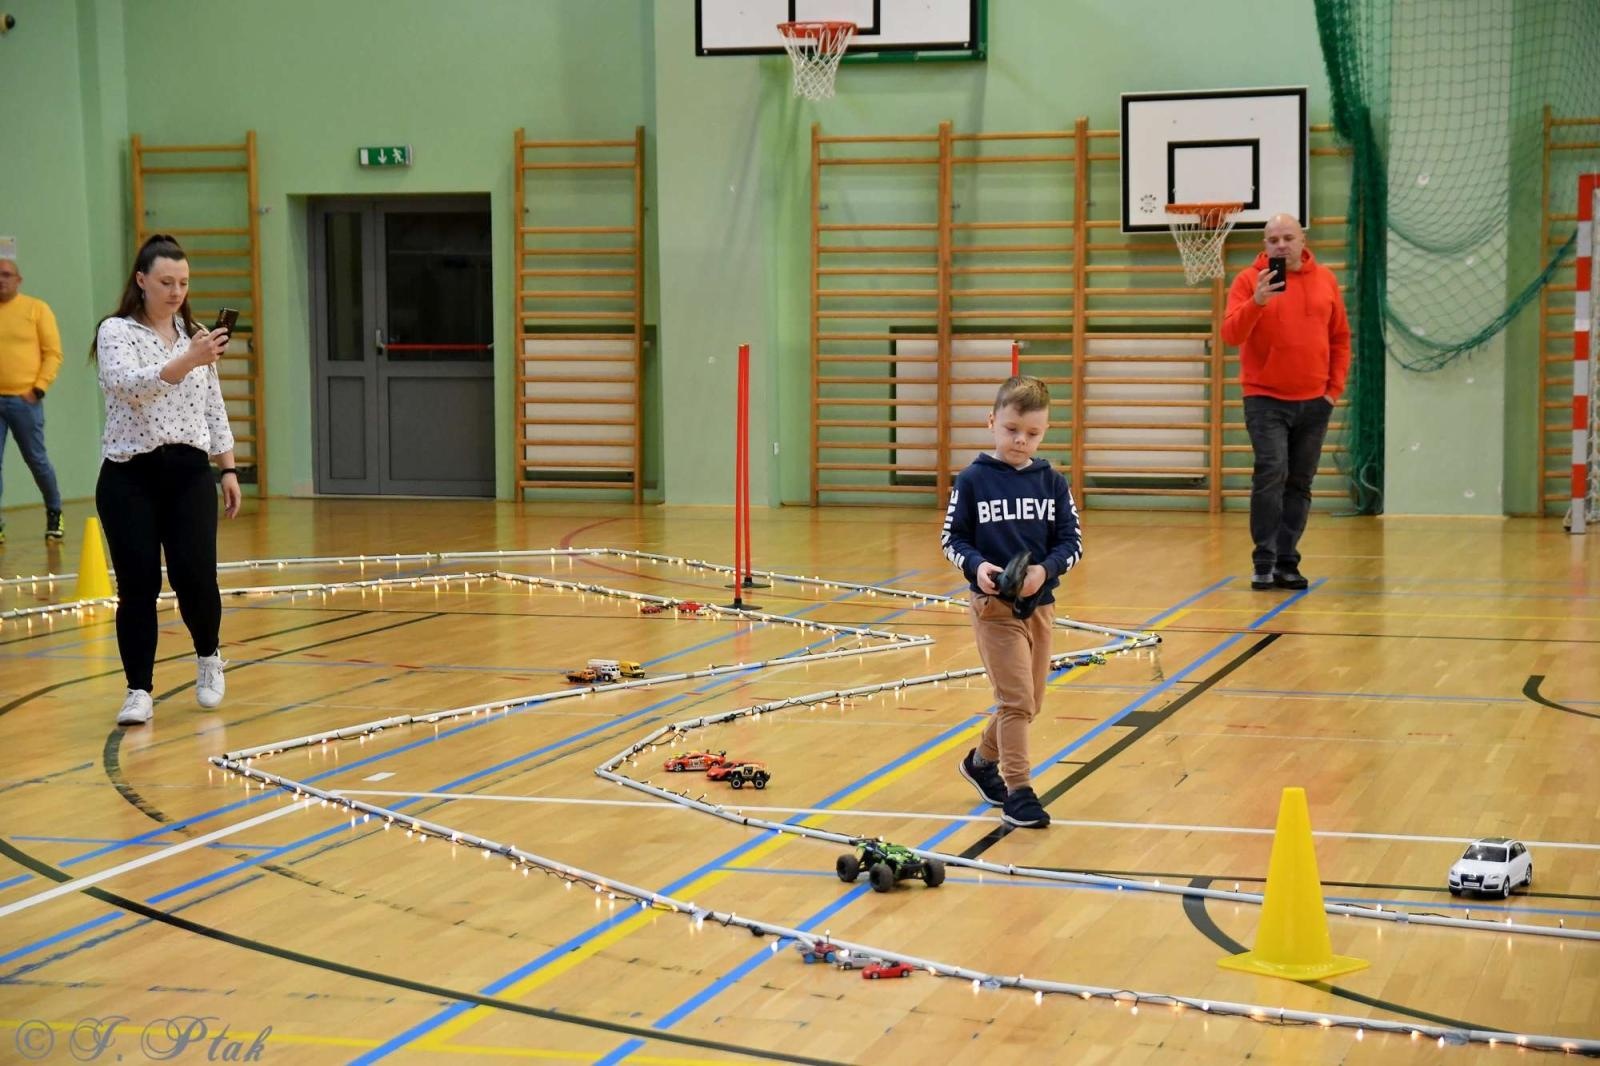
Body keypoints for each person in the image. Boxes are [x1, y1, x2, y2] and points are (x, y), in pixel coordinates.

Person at [92, 235, 241, 727]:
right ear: (142, 281)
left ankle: (208, 656)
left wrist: (228, 467)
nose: (176, 290)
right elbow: (128, 387)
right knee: (138, 585)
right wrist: (186, 361)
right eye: (165, 282)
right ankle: (138, 688)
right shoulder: (116, 332)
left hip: (188, 474)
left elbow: (212, 406)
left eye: (183, 282)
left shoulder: (194, 336)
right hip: (129, 475)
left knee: (195, 574)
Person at [940, 376, 1082, 829]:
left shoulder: (1052, 482)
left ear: (1045, 431)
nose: (1021, 441)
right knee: (1017, 700)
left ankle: (981, 762)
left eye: (1033, 433)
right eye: (1011, 429)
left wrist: (1045, 570)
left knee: (1028, 703)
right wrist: (978, 567)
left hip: (1039, 606)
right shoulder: (973, 480)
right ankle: (1019, 790)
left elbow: (1071, 542)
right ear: (992, 423)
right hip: (993, 608)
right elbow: (952, 538)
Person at [1222, 213, 1350, 591]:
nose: (1280, 245)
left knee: (1300, 482)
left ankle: (1286, 559)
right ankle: (1263, 559)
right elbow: (1231, 333)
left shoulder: (1325, 280)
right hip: (1265, 399)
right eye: (1273, 239)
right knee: (1271, 471)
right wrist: (1258, 301)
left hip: (1315, 400)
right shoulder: (1249, 281)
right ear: (1265, 245)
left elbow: (1340, 338)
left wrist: (1332, 391)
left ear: (1302, 240)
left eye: (1288, 237)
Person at [0, 258, 65, 544]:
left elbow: (53, 353)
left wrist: (37, 389)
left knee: (37, 460)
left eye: (6, 274)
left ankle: (54, 512)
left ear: (18, 279)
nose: (1, 280)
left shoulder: (36, 309)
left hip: (25, 401)